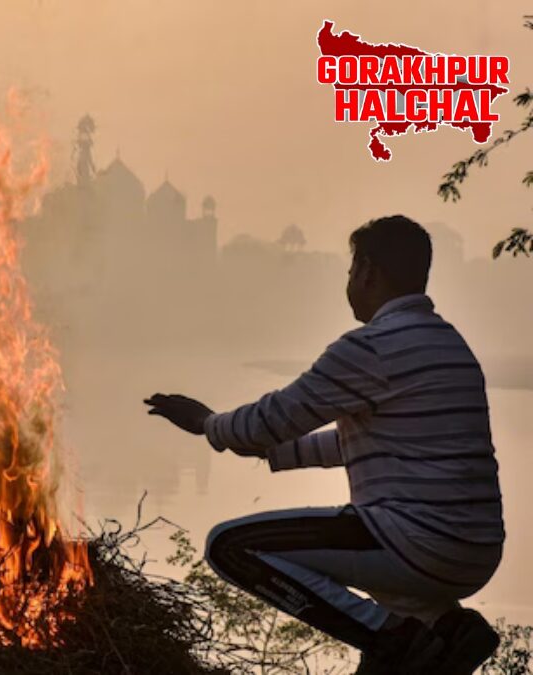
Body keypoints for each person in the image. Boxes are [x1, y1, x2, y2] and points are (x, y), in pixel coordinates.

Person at [144, 216, 503, 675]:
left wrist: (208, 424)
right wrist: (275, 453)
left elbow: (271, 419)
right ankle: (446, 626)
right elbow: (365, 442)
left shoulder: (372, 347)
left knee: (230, 546)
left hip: (414, 542)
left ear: (368, 271)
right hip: (472, 552)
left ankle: (392, 636)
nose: (349, 282)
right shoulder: (452, 346)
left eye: (351, 270)